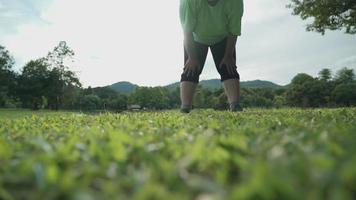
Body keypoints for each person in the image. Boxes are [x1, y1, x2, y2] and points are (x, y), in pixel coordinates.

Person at [179, 0, 244, 113]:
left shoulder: (235, 2)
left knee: (228, 67)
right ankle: (185, 107)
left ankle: (235, 105)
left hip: (222, 37)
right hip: (195, 38)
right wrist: (192, 58)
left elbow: (234, 30)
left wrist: (228, 55)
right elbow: (187, 31)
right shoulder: (188, 1)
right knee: (191, 69)